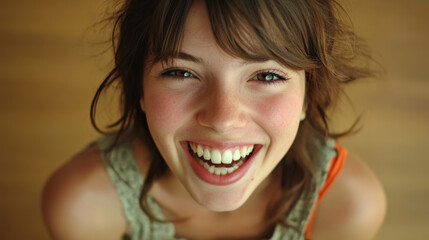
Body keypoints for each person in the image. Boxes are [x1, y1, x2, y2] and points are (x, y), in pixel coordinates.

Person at [42, 0, 386, 239]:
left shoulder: (347, 207)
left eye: (266, 76)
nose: (222, 120)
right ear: (139, 89)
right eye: (181, 72)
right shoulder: (83, 206)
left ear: (307, 96)